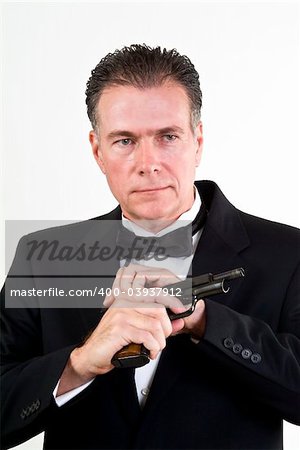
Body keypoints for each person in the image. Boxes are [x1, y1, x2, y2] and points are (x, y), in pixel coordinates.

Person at [1, 44, 299, 450]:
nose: (148, 162)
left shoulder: (288, 253)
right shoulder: (43, 256)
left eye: (168, 136)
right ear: (97, 151)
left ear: (197, 140)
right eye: (124, 140)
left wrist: (204, 321)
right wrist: (79, 364)